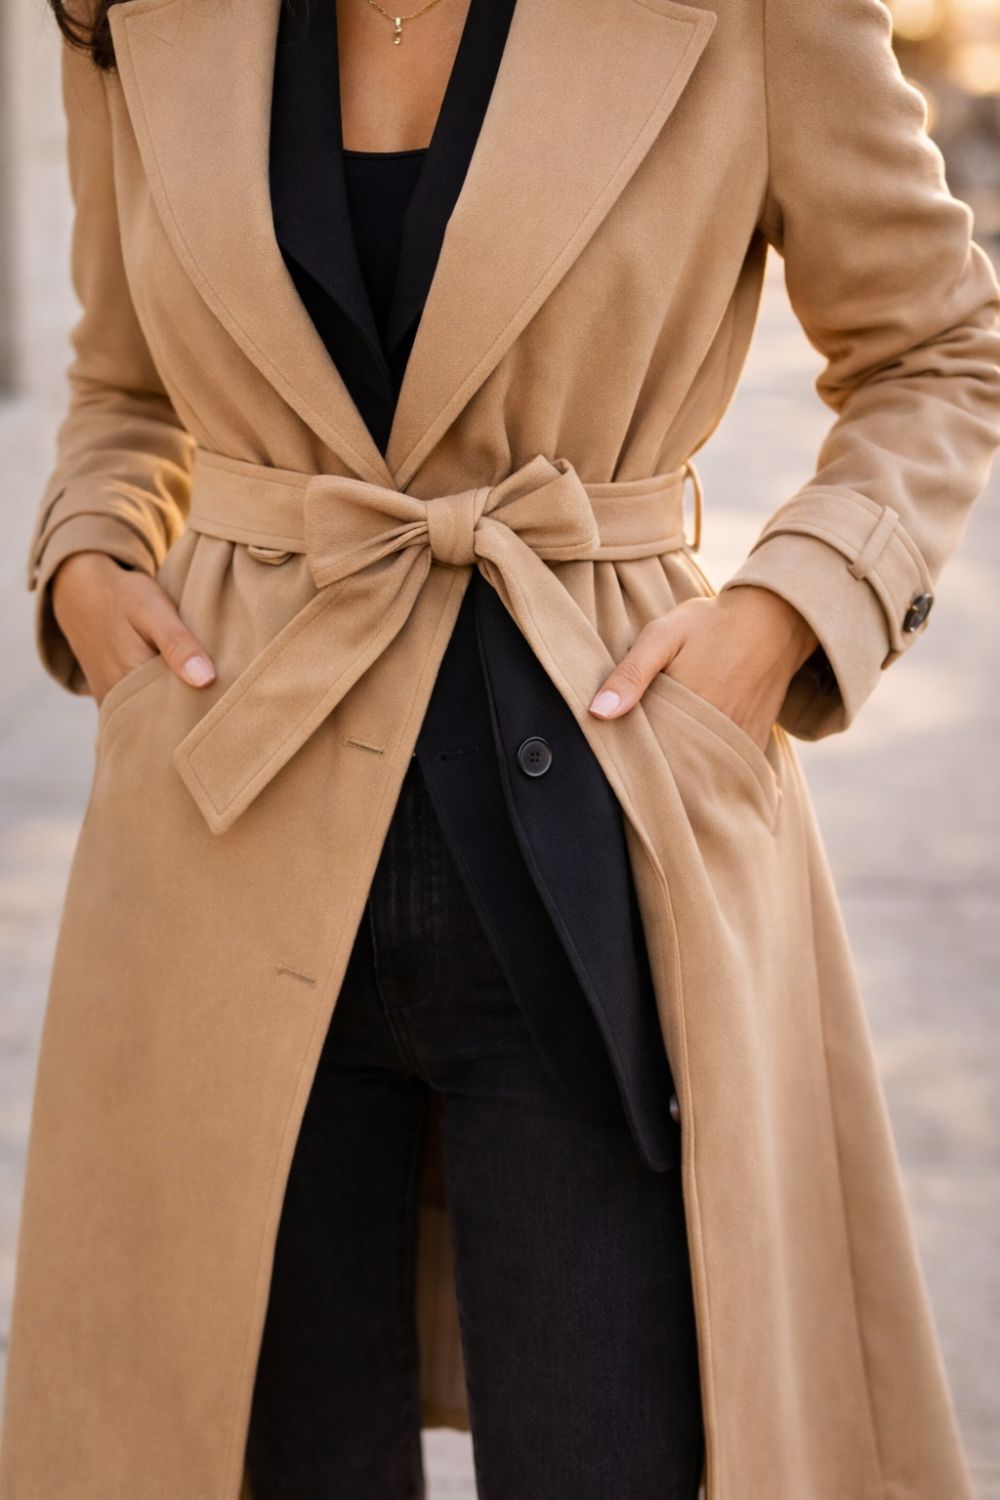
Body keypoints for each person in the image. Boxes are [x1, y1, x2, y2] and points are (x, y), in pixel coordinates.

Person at [3, 0, 999, 1497]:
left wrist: (793, 609)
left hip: (608, 840)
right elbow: (126, 390)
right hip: (222, 842)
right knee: (229, 1444)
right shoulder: (135, 16)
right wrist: (88, 553)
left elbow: (935, 346)